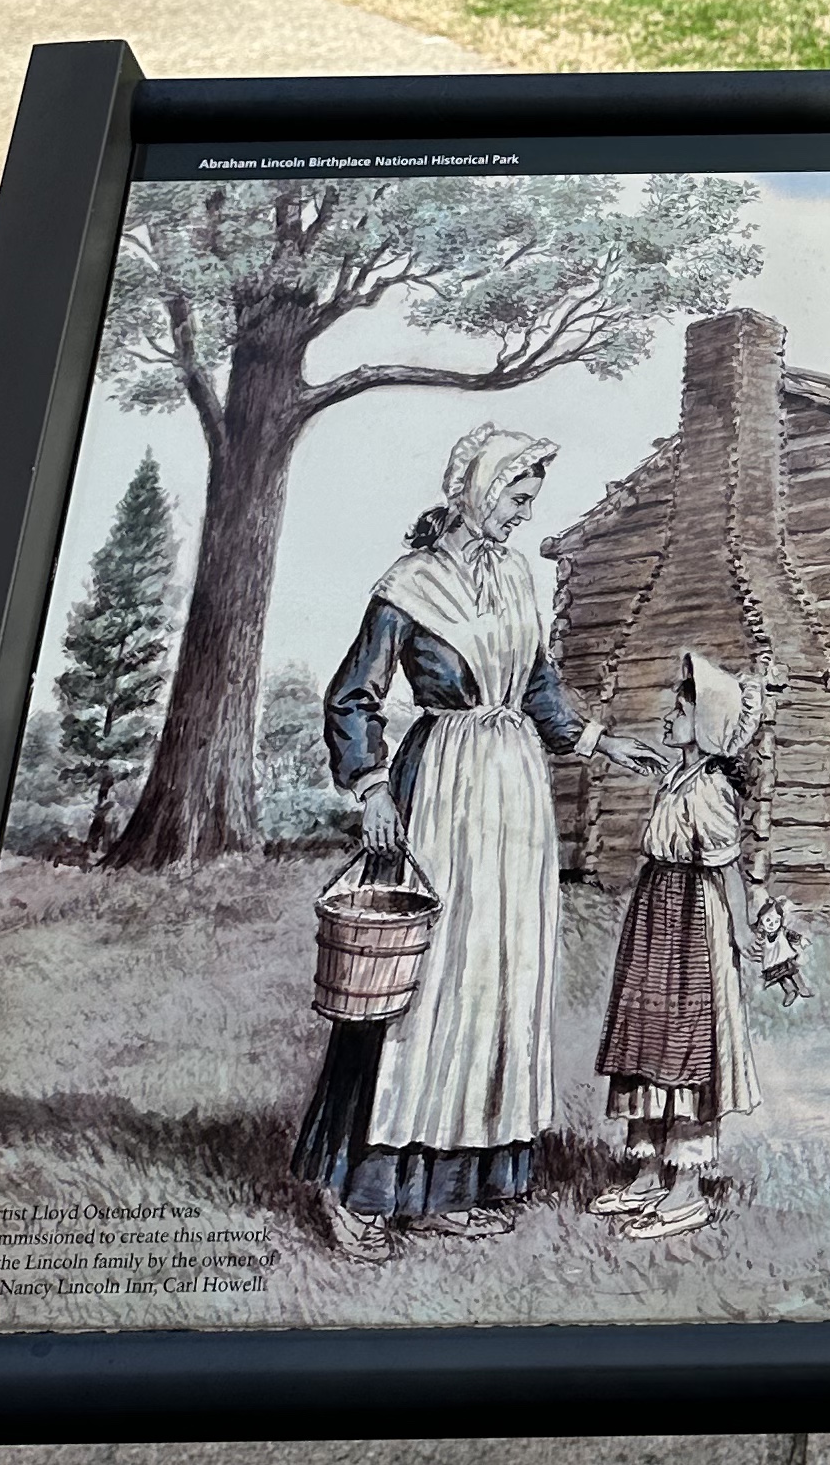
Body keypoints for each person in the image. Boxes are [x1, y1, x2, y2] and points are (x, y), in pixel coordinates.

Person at [291, 423, 627, 1260]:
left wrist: (602, 742)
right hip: (441, 791)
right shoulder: (411, 584)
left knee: (496, 982)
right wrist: (370, 786)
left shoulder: (517, 578)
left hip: (515, 802)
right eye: (516, 497)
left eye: (529, 501)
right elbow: (352, 697)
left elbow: (542, 692)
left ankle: (450, 1189)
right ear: (478, 491)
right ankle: (364, 1194)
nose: (523, 513)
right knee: (426, 987)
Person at [590, 650, 799, 1241]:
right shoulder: (675, 777)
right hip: (655, 916)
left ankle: (686, 1190)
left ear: (705, 723)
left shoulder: (709, 788)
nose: (670, 714)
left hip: (691, 926)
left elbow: (727, 872)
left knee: (684, 1042)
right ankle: (648, 1172)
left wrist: (745, 932)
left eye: (682, 706)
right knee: (646, 1040)